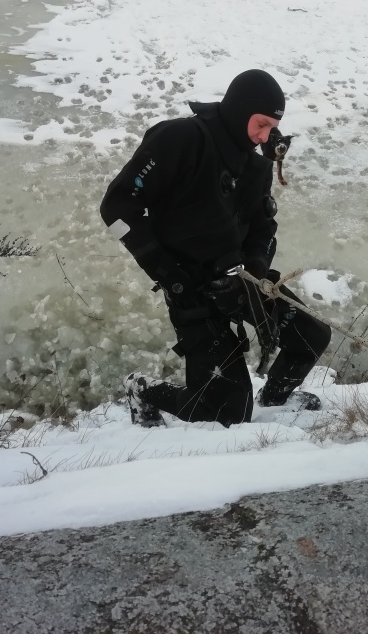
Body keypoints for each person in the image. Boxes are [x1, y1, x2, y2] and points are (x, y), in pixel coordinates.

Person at [100, 69, 331, 427]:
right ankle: (143, 390)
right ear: (240, 109)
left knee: (312, 335)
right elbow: (116, 207)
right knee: (227, 414)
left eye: (272, 128)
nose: (265, 136)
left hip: (242, 284)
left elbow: (263, 226)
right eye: (261, 124)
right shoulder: (180, 138)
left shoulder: (256, 165)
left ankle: (273, 404)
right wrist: (173, 278)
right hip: (192, 291)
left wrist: (254, 269)